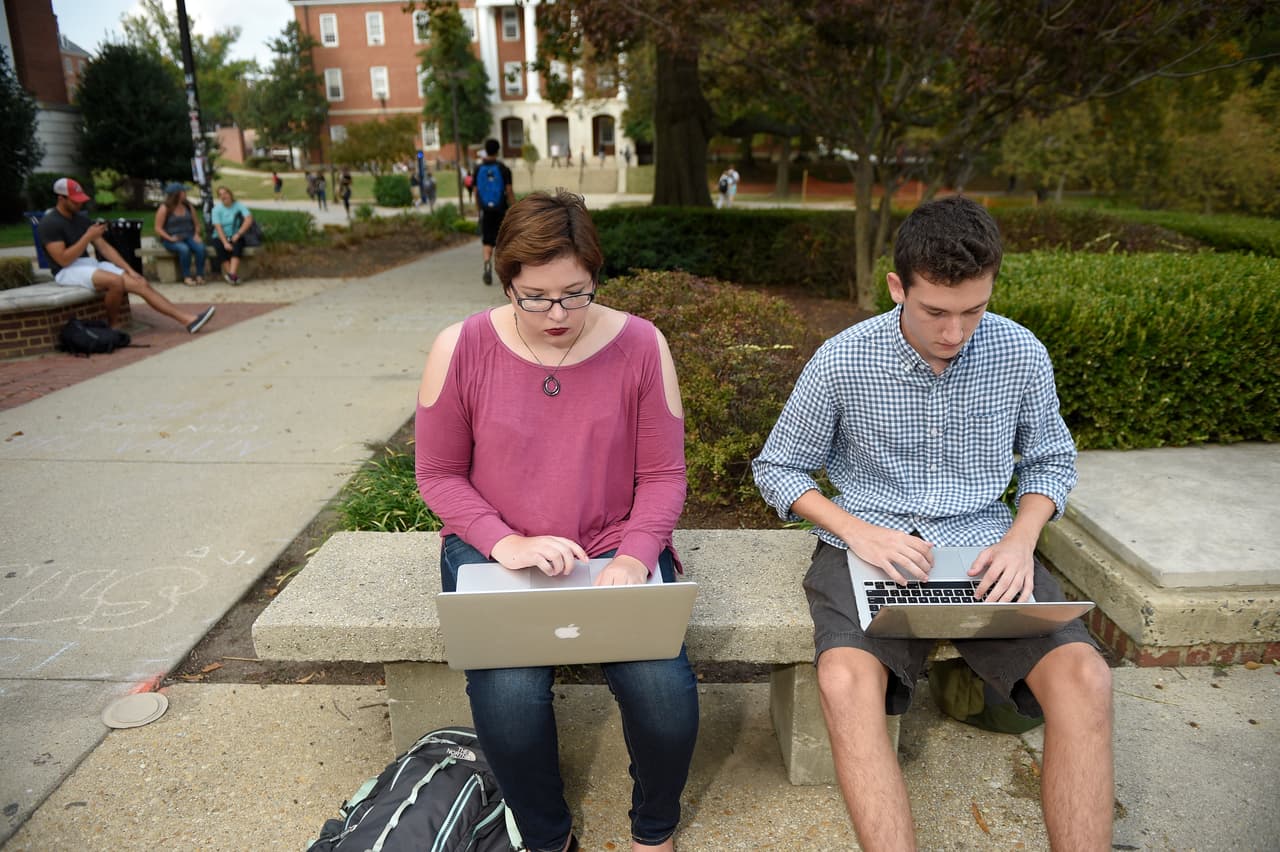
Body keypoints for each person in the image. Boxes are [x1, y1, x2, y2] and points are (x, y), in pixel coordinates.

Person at [752, 195, 1113, 851]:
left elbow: (1052, 462)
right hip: (866, 549)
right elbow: (778, 468)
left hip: (986, 549)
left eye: (973, 310)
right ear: (897, 287)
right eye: (935, 312)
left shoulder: (1020, 353)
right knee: (843, 680)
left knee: (1087, 678)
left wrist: (1021, 539)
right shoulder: (842, 360)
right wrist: (857, 530)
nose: (955, 332)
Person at [415, 189, 697, 852]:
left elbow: (662, 476)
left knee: (665, 699)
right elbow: (439, 477)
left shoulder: (640, 346)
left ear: (595, 275)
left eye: (576, 293)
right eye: (535, 296)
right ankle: (548, 836)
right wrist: (504, 541)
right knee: (509, 703)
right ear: (505, 280)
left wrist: (635, 556)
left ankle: (654, 831)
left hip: (612, 545)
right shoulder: (460, 347)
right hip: (497, 549)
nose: (558, 314)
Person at [37, 178, 214, 333]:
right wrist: (87, 237)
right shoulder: (50, 223)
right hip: (66, 270)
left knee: (140, 282)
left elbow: (105, 248)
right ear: (61, 198)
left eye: (81, 200)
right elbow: (63, 259)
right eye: (75, 201)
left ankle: (188, 320)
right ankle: (113, 325)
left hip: (86, 263)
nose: (79, 204)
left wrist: (129, 269)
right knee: (115, 282)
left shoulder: (81, 218)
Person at [474, 138, 515, 286]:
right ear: (498, 150)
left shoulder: (478, 169)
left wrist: (479, 210)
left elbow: (476, 191)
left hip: (486, 210)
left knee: (487, 240)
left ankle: (487, 264)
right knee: (502, 241)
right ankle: (503, 271)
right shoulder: (503, 168)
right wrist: (514, 208)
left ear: (486, 149)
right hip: (501, 209)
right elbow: (509, 190)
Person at [154, 182, 207, 286]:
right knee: (184, 249)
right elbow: (158, 228)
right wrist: (170, 238)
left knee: (200, 248)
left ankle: (200, 275)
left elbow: (197, 224)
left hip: (189, 236)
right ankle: (186, 276)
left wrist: (196, 235)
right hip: (172, 238)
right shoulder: (165, 208)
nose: (185, 193)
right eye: (183, 192)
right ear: (177, 194)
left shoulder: (188, 206)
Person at [210, 186, 255, 285]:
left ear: (230, 194)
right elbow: (218, 227)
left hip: (235, 234)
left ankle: (231, 274)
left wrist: (238, 233)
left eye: (225, 193)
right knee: (220, 247)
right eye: (220, 194)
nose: (223, 196)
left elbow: (249, 219)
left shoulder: (238, 205)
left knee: (237, 245)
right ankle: (232, 276)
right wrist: (225, 242)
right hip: (220, 236)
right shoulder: (216, 209)